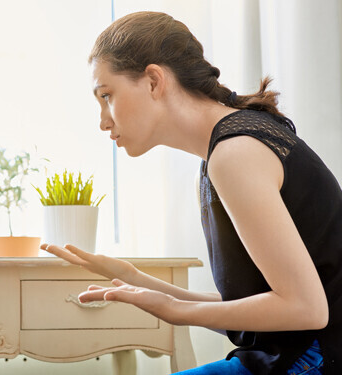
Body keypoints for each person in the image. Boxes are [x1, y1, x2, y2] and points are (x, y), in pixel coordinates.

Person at [41, 11, 342, 375]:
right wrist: (136, 278)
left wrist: (178, 312)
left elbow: (306, 309)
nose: (103, 120)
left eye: (107, 95)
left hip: (316, 359)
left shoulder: (235, 153)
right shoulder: (224, 150)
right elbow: (257, 310)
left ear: (153, 80)